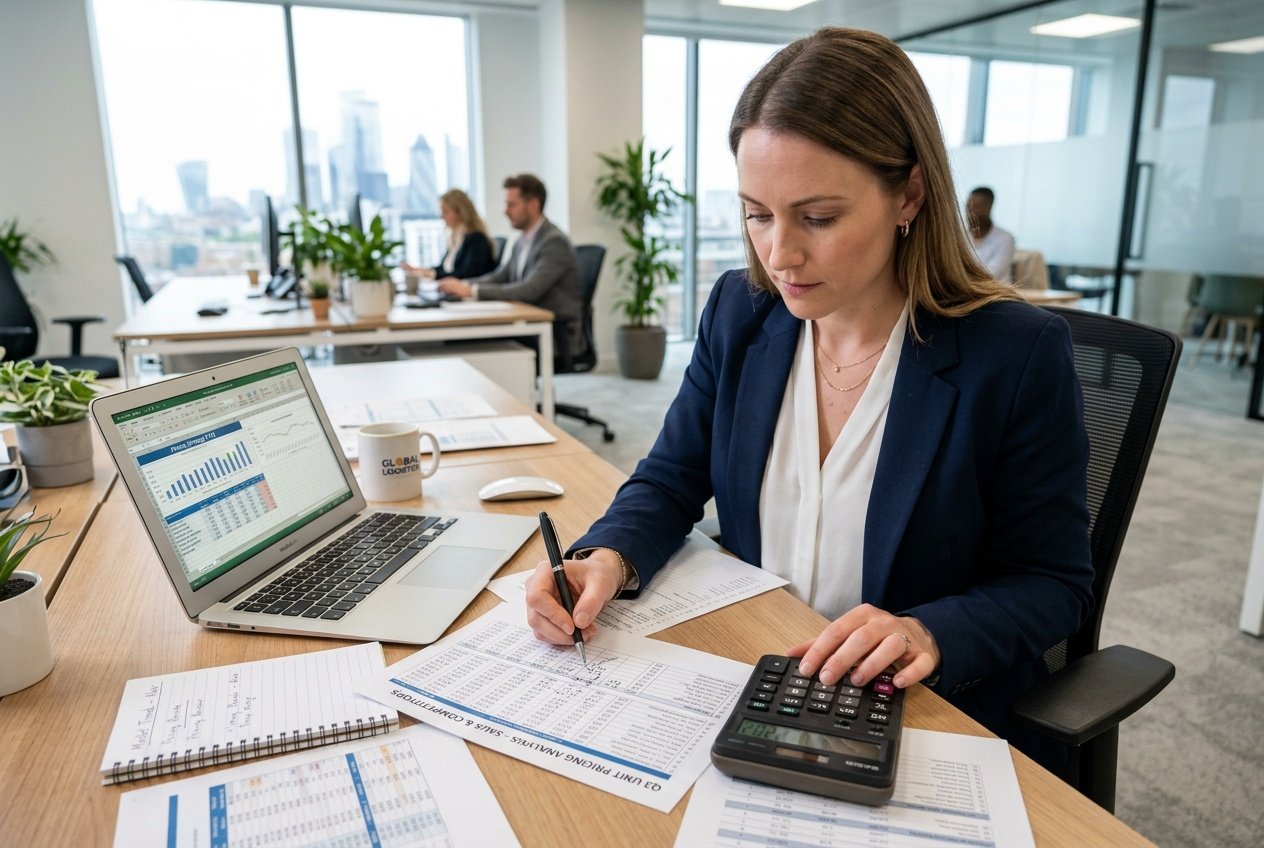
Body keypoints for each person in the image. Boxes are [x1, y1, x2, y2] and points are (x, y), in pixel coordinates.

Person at [524, 27, 1093, 765]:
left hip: (919, 715)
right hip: (753, 676)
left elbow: (1052, 583)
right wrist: (606, 559)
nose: (779, 253)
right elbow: (670, 478)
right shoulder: (741, 310)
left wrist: (929, 632)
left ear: (909, 195)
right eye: (758, 213)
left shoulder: (1014, 355)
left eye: (817, 218)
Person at [437, 174, 583, 366]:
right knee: (457, 337)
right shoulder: (523, 241)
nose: (505, 211)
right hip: (527, 324)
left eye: (511, 205)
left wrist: (472, 291)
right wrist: (463, 285)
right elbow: (501, 276)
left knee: (463, 340)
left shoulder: (553, 242)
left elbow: (529, 290)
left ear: (533, 205)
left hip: (552, 332)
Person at [402, 189, 497, 281]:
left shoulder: (477, 239)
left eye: (445, 212)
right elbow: (444, 268)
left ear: (460, 212)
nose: (442, 216)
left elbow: (467, 274)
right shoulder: (456, 238)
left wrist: (432, 274)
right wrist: (421, 270)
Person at [966, 186, 1016, 282]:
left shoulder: (1005, 239)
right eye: (968, 207)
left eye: (976, 207)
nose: (970, 213)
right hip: (966, 292)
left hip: (996, 293)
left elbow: (991, 275)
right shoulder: (961, 237)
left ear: (989, 207)